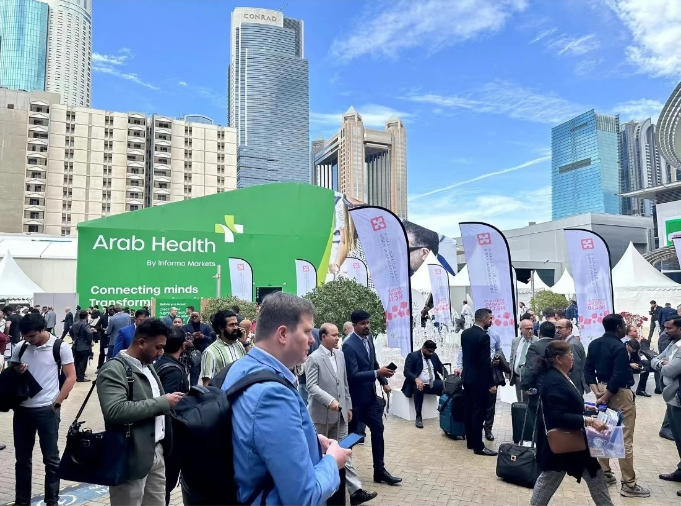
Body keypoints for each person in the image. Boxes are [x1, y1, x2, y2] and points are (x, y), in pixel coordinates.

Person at [221, 292, 351, 504]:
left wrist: (308, 439)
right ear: (282, 334)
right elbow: (303, 497)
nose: (312, 339)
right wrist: (332, 462)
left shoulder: (241, 368)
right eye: (307, 331)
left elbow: (259, 440)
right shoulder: (272, 395)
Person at [97, 318, 184, 506]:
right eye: (158, 347)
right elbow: (114, 410)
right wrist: (163, 402)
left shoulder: (149, 366)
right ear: (142, 342)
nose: (161, 353)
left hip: (157, 451)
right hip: (130, 455)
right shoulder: (114, 369)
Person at [530, 341, 614, 506]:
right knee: (548, 481)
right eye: (569, 354)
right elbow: (556, 416)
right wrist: (589, 420)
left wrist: (585, 407)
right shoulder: (554, 381)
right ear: (559, 359)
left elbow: (565, 402)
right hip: (561, 443)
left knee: (595, 475)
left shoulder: (561, 375)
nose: (573, 357)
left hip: (573, 441)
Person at [306, 322, 377, 506]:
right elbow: (311, 386)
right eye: (334, 335)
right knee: (319, 455)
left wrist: (348, 406)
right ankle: (321, 493)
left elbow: (344, 383)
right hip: (320, 416)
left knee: (344, 450)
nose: (338, 338)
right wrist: (330, 401)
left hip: (341, 414)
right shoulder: (314, 358)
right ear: (323, 337)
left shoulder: (340, 355)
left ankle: (356, 491)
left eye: (338, 335)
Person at [11, 312, 76, 506]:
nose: (28, 340)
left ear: (42, 329)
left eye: (32, 336)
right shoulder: (21, 347)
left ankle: (52, 501)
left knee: (51, 459)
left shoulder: (60, 347)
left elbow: (71, 376)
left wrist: (57, 403)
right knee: (22, 460)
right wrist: (16, 370)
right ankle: (22, 501)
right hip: (22, 410)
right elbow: (11, 371)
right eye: (25, 336)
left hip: (47, 410)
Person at [585, 313, 649, 497]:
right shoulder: (620, 347)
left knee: (602, 433)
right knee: (625, 437)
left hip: (601, 389)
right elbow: (619, 374)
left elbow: (587, 370)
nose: (625, 328)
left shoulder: (594, 343)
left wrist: (597, 392)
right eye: (624, 325)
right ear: (619, 327)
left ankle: (605, 474)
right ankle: (629, 484)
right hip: (618, 393)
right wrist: (605, 397)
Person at [343, 310, 402, 484]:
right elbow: (353, 375)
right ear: (354, 325)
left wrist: (383, 381)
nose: (366, 326)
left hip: (370, 398)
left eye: (368, 322)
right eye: (363, 324)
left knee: (378, 430)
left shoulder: (368, 339)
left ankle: (380, 471)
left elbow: (374, 363)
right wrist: (378, 373)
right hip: (355, 401)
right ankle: (340, 468)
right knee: (352, 436)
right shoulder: (348, 346)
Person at [153, 327, 192, 505]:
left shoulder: (159, 364)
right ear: (183, 346)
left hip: (161, 434)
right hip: (169, 438)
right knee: (165, 485)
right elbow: (169, 406)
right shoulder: (173, 370)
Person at [458, 308, 497, 456]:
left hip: (467, 377)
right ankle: (479, 446)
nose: (491, 321)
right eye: (490, 318)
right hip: (479, 380)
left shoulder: (465, 333)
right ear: (484, 319)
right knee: (478, 413)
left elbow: (466, 357)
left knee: (468, 410)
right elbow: (485, 363)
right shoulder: (484, 337)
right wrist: (491, 383)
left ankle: (470, 442)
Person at [651, 319, 681, 498]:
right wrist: (662, 363)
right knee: (677, 437)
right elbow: (654, 359)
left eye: (669, 328)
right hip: (672, 398)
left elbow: (669, 371)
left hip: (679, 398)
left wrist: (663, 364)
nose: (665, 331)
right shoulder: (672, 345)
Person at [402, 340, 446, 428]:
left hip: (432, 383)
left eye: (433, 351)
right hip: (418, 383)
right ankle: (418, 415)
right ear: (423, 348)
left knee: (446, 386)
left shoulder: (434, 356)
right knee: (419, 387)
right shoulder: (413, 356)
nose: (431, 353)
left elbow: (441, 368)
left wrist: (447, 377)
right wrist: (416, 379)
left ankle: (444, 411)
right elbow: (406, 371)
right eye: (429, 351)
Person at [200, 310, 246, 386]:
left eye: (236, 324)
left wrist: (245, 343)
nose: (235, 328)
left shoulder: (241, 345)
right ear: (221, 328)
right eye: (231, 325)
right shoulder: (210, 352)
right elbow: (206, 384)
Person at [555, 319, 588, 396]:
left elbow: (575, 369)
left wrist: (571, 387)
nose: (557, 330)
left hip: (574, 385)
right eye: (556, 327)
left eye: (560, 328)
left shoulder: (572, 344)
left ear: (569, 329)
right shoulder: (567, 342)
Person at [509, 319, 538, 402]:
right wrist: (511, 370)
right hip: (518, 377)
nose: (530, 331)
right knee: (520, 402)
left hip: (530, 379)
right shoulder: (516, 341)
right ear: (521, 329)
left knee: (530, 402)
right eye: (527, 329)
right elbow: (512, 357)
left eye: (531, 328)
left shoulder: (537, 342)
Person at [182, 311, 214, 386]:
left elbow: (211, 339)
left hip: (202, 353)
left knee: (198, 374)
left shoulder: (205, 327)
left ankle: (195, 389)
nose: (194, 318)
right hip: (189, 353)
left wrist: (203, 337)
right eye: (192, 316)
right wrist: (192, 336)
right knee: (189, 375)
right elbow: (182, 339)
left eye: (196, 316)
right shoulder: (186, 327)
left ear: (199, 317)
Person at [69, 310, 93, 382]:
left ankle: (76, 375)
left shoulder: (75, 323)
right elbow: (89, 333)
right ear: (86, 316)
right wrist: (89, 341)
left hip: (76, 345)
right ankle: (81, 377)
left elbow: (70, 331)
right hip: (84, 345)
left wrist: (74, 338)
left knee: (76, 361)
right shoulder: (85, 324)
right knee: (83, 362)